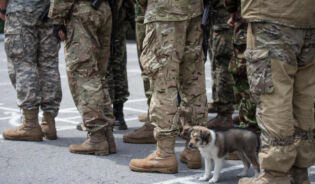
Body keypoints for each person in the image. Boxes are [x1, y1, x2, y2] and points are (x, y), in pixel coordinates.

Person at [225, 0, 315, 183]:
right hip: (309, 16)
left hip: (270, 14)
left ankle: (276, 173)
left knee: (273, 95)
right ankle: (299, 171)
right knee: (304, 97)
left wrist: (233, 7)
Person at [129, 0, 207, 173]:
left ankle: (164, 154)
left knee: (163, 80)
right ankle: (193, 149)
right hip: (194, 9)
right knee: (193, 79)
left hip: (164, 10)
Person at [49, 0, 116, 155]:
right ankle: (107, 136)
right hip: (104, 9)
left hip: (82, 11)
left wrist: (57, 19)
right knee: (98, 75)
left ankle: (97, 138)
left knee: (85, 75)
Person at [2, 0, 62, 141]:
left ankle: (30, 125)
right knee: (49, 65)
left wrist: (2, 8)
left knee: (23, 64)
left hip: (21, 9)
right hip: (50, 11)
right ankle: (49, 123)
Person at [122, 2, 156, 144]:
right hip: (191, 12)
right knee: (187, 71)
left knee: (152, 67)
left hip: (156, 11)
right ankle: (178, 120)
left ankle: (154, 122)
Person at [206, 0, 235, 129]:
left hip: (225, 17)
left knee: (223, 64)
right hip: (221, 16)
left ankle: (225, 114)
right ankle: (221, 105)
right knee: (218, 62)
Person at [106, 0, 133, 130]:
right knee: (118, 66)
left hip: (108, 14)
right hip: (120, 15)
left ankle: (109, 115)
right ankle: (118, 115)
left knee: (106, 68)